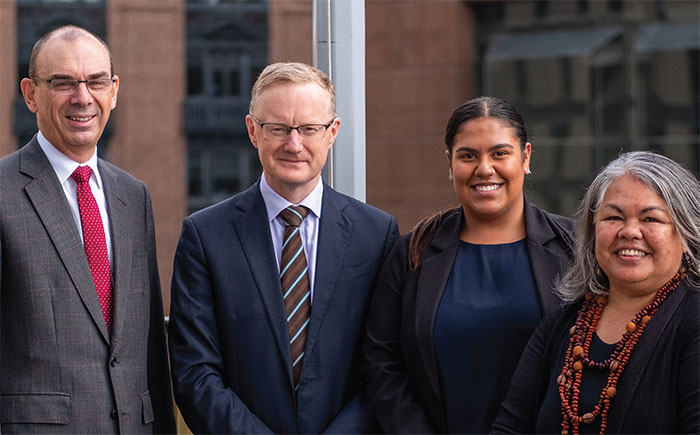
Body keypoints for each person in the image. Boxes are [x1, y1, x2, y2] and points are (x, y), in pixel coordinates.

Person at [168, 61, 399, 434]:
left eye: (309, 129)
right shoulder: (205, 236)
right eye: (277, 129)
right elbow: (195, 372)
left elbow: (386, 364)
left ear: (332, 132)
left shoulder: (376, 234)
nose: (294, 144)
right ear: (252, 131)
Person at [362, 96, 575, 433]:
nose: (484, 168)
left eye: (500, 153)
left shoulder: (575, 247)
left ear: (526, 157)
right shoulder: (411, 254)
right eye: (468, 156)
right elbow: (381, 363)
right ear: (450, 163)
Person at [0, 25, 175, 433]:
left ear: (113, 91)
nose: (83, 97)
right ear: (30, 94)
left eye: (96, 81)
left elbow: (149, 346)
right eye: (62, 83)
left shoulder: (133, 196)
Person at [492, 151, 700, 434]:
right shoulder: (563, 325)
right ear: (592, 231)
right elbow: (510, 427)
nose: (629, 231)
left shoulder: (693, 320)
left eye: (650, 219)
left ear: (686, 233)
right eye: (613, 217)